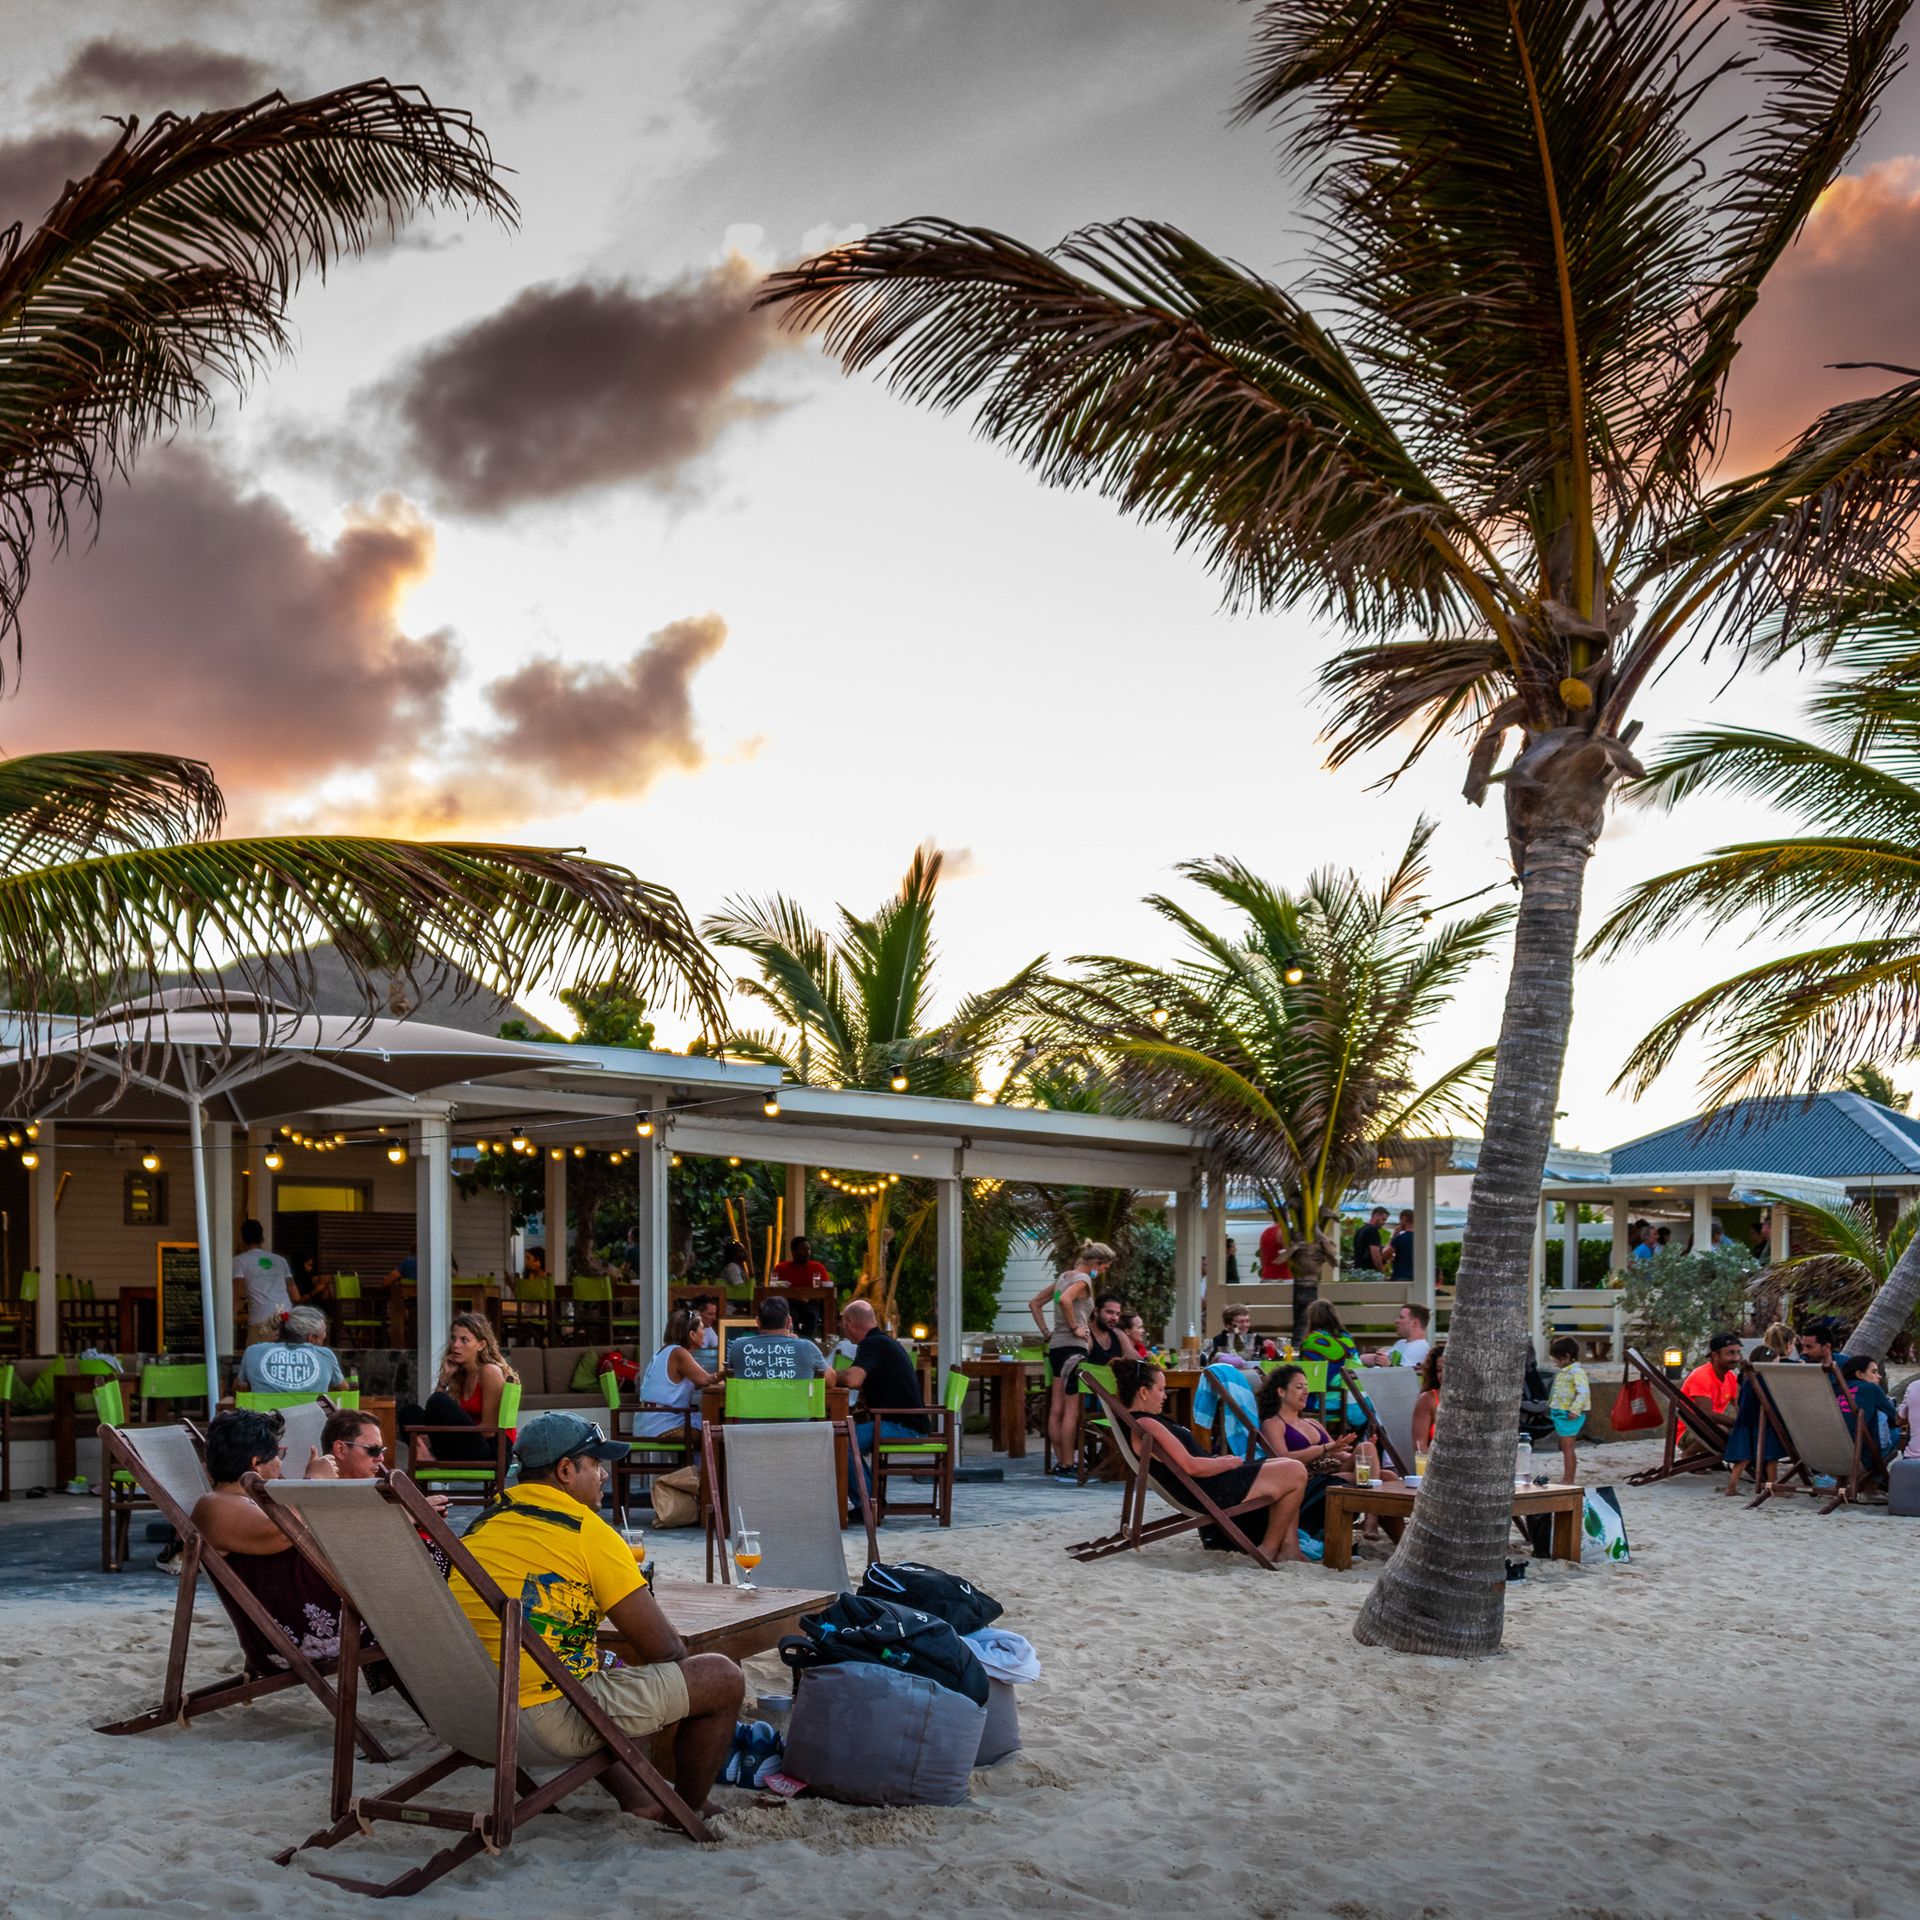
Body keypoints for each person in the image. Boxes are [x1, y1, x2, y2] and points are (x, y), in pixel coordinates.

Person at [450, 1411, 745, 1818]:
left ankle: (640, 1797)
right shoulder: (586, 1531)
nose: (604, 1475)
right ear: (566, 1470)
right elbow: (665, 1650)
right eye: (596, 1464)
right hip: (540, 1721)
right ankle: (687, 1808)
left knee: (586, 1669)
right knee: (720, 1677)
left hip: (465, 1714)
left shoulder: (481, 1526)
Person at [191, 1408, 366, 1667]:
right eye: (278, 1454)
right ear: (255, 1464)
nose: (280, 1462)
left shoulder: (247, 1502)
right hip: (303, 1637)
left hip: (326, 1614)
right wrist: (314, 1481)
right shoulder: (215, 1505)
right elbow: (285, 1533)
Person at [1115, 1359, 1314, 1563]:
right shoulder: (1147, 1424)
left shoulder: (1144, 1421)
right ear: (1144, 1392)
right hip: (1209, 1489)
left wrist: (1222, 1461)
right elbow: (1191, 1466)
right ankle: (1269, 1549)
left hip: (1209, 1482)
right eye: (1161, 1389)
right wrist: (1228, 1462)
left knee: (1286, 1466)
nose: (1165, 1396)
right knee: (1295, 1470)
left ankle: (1289, 1547)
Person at [1028, 1240, 1113, 1478]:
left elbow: (1034, 1304)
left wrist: (1047, 1333)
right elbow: (1066, 1300)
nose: (1103, 1272)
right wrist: (1076, 1327)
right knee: (1071, 1409)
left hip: (1056, 1348)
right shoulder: (1083, 1280)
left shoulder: (1064, 1276)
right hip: (1074, 1349)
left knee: (1056, 1407)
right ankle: (1068, 1464)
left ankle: (1062, 1462)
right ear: (1096, 1263)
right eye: (1104, 1267)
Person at [397, 1312, 518, 1463]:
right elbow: (432, 1417)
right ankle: (428, 1456)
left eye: (464, 1340)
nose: (455, 1345)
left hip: (491, 1450)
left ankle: (430, 1458)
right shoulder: (461, 1375)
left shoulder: (489, 1371)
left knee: (439, 1402)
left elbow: (489, 1430)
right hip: (467, 1444)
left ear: (481, 1345)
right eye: (454, 1338)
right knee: (409, 1412)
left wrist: (444, 1435)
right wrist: (444, 1381)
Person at [839, 1300, 928, 1490]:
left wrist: (829, 1376)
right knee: (843, 1440)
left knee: (841, 1444)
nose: (843, 1330)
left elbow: (853, 1379)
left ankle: (868, 1504)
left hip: (903, 1426)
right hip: (905, 1422)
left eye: (843, 1324)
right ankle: (872, 1500)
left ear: (850, 1323)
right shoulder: (883, 1341)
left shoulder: (872, 1344)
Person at [634, 1310, 715, 1438]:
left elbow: (694, 1383)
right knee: (714, 1429)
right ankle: (706, 1458)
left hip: (650, 1421)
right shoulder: (679, 1353)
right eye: (702, 1329)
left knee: (706, 1422)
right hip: (662, 1424)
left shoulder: (665, 1350)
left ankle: (694, 1459)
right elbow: (706, 1380)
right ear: (692, 1334)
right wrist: (729, 1371)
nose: (705, 1333)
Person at [235, 1304, 347, 1396]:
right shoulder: (325, 1355)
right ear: (311, 1338)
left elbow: (238, 1387)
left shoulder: (253, 1351)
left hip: (265, 1421)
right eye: (323, 1337)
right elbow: (343, 1389)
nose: (323, 1341)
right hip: (312, 1422)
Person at [727, 1295, 828, 1380]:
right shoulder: (807, 1348)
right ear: (789, 1322)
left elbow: (729, 1377)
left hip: (751, 1404)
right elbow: (831, 1379)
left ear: (758, 1322)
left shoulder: (738, 1346)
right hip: (793, 1404)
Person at [1678, 1332, 1743, 1455]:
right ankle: (1688, 1454)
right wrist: (1737, 1424)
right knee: (1722, 1429)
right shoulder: (1702, 1376)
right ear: (1715, 1356)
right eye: (1730, 1353)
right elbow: (1706, 1414)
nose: (1736, 1358)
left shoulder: (1730, 1376)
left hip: (1709, 1427)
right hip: (1688, 1431)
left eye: (1737, 1352)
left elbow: (1738, 1405)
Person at [233, 1219, 297, 1336]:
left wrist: (231, 1317)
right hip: (286, 1317)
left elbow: (238, 1292)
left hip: (261, 1319)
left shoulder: (239, 1261)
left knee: (256, 1352)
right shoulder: (280, 1260)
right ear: (262, 1238)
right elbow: (295, 1293)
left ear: (242, 1239)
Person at [1839, 1354, 1902, 1460]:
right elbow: (1895, 1420)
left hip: (1836, 1456)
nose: (1879, 1376)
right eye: (1874, 1372)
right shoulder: (1870, 1388)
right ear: (1859, 1374)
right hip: (1862, 1458)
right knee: (1903, 1429)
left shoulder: (1840, 1391)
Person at [1547, 1336, 1588, 1483]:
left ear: (1566, 1357)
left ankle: (1568, 1479)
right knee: (1566, 1447)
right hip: (1561, 1413)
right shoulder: (1565, 1372)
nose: (1555, 1362)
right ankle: (1567, 1477)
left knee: (1568, 1448)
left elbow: (1583, 1392)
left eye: (1556, 1359)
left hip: (1569, 1415)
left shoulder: (1576, 1372)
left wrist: (1575, 1410)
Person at [1361, 1301, 1432, 1369]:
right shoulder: (1401, 1343)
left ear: (1414, 1323)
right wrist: (1355, 1358)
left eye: (1401, 1317)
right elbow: (1377, 1359)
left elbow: (1405, 1377)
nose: (1396, 1321)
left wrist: (1388, 1366)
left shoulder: (1418, 1349)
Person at [1411, 1343, 1445, 1457]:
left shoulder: (1473, 1400)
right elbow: (1419, 1445)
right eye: (1439, 1370)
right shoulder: (1428, 1400)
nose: (1443, 1375)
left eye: (1448, 1369)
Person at [1087, 1292, 1133, 1370]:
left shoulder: (1118, 1334)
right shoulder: (1086, 1334)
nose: (1114, 1318)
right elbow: (1079, 1369)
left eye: (1117, 1314)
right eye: (1110, 1312)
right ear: (1096, 1311)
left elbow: (1133, 1357)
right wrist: (1107, 1367)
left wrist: (1147, 1359)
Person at [1352, 1206, 1390, 1275]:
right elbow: (1375, 1254)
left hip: (1358, 1271)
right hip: (1368, 1273)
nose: (1384, 1223)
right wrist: (1381, 1273)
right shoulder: (1372, 1231)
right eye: (1383, 1219)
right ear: (1376, 1216)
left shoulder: (1361, 1230)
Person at [1388, 1209, 1416, 1283]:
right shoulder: (1422, 1238)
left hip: (1401, 1276)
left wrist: (1394, 1236)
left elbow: (1385, 1254)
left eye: (1400, 1220)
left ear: (1403, 1219)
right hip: (1418, 1277)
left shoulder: (1401, 1237)